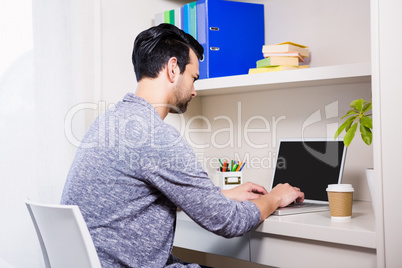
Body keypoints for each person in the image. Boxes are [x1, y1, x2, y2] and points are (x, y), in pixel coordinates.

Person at [61, 23, 304, 268]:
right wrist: (274, 197)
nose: (194, 91)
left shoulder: (107, 122)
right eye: (193, 78)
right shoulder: (155, 136)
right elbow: (228, 221)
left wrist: (221, 195)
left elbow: (133, 199)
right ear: (173, 68)